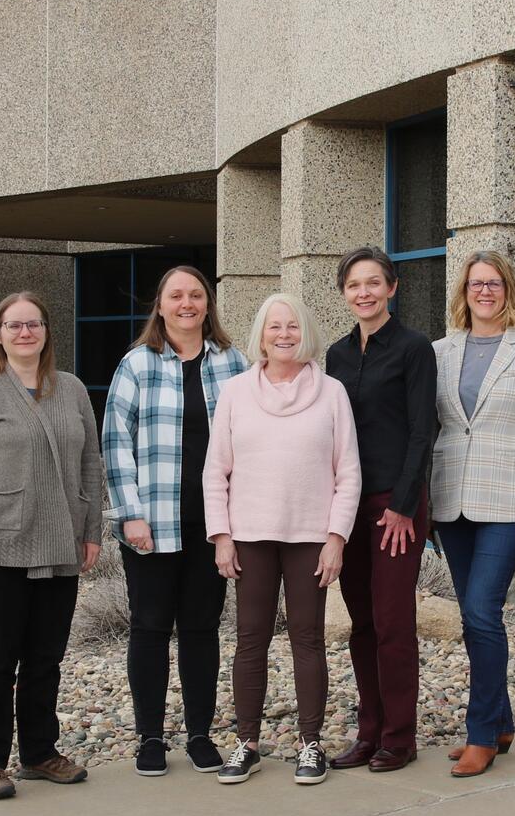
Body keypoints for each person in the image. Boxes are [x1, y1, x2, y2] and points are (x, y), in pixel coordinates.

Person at [0, 291, 103, 800]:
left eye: (33, 324)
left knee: (46, 658)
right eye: (14, 326)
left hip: (61, 543)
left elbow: (91, 465)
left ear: (45, 332)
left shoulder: (73, 389)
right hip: (4, 546)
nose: (24, 333)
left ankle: (40, 753)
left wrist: (91, 531)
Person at [204, 293, 361, 786]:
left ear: (305, 332)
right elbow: (216, 471)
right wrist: (222, 536)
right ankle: (246, 742)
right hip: (249, 537)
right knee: (250, 641)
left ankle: (310, 743)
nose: (284, 334)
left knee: (307, 640)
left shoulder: (332, 392)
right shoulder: (234, 392)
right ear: (261, 335)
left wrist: (336, 537)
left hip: (309, 540)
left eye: (292, 326)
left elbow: (348, 472)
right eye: (275, 327)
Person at [102, 266, 248, 777]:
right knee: (149, 628)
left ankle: (201, 734)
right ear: (160, 306)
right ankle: (149, 738)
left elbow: (250, 439)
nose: (187, 303)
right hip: (152, 522)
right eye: (176, 296)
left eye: (196, 295)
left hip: (213, 526)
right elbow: (115, 443)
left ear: (207, 304)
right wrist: (130, 514)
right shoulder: (137, 364)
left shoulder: (233, 364)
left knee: (202, 630)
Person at [430, 250, 515, 778]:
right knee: (471, 615)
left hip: (508, 503)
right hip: (452, 500)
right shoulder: (440, 351)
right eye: (475, 284)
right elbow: (439, 426)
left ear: (508, 290)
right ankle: (502, 721)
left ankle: (481, 733)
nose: (484, 292)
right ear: (463, 293)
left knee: (483, 612)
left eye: (494, 283)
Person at [324, 247, 436, 773]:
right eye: (354, 285)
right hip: (348, 505)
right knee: (362, 624)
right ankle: (368, 732)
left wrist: (403, 506)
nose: (364, 293)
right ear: (344, 293)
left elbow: (422, 430)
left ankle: (400, 737)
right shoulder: (337, 355)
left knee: (393, 623)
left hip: (397, 507)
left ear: (393, 288)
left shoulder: (415, 349)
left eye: (374, 283)